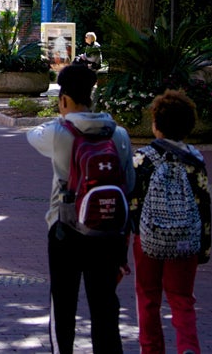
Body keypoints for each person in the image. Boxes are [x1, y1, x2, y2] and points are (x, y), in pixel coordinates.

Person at [27, 63, 134, 354]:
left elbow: (31, 136)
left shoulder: (58, 132)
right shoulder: (119, 135)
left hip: (65, 228)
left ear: (63, 99)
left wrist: (60, 117)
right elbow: (129, 183)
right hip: (107, 231)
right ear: (92, 94)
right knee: (105, 307)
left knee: (63, 303)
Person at [130, 89, 211, 354]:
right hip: (185, 238)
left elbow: (133, 202)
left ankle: (150, 348)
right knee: (182, 298)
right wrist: (203, 247)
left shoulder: (142, 159)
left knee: (148, 296)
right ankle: (188, 346)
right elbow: (203, 204)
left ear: (156, 125)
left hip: (148, 238)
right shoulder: (196, 162)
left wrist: (131, 233)